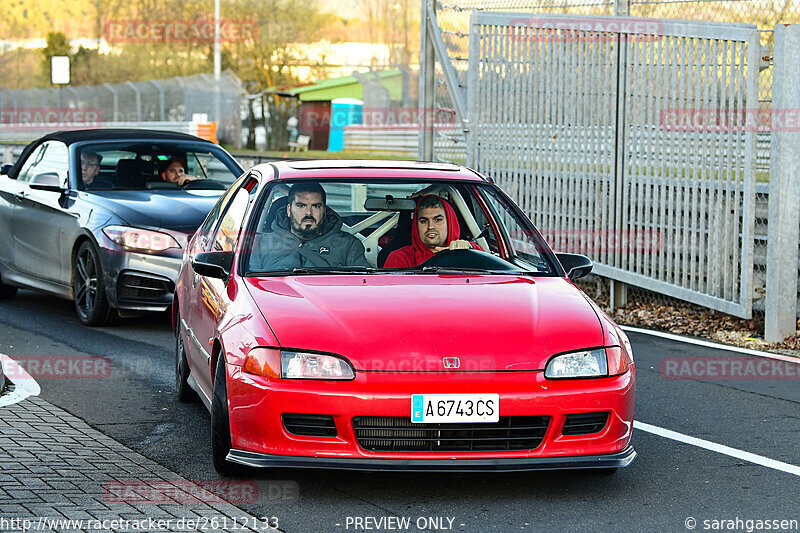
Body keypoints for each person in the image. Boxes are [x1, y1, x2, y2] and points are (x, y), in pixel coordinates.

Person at [250, 182, 370, 271]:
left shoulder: (348, 246)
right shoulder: (260, 245)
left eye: (316, 206)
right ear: (288, 210)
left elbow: (362, 289)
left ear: (324, 210)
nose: (308, 213)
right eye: (301, 206)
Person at [383, 194, 480, 268]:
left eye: (438, 220)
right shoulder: (400, 258)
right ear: (416, 226)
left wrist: (469, 248)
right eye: (424, 221)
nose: (431, 227)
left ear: (450, 223)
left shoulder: (468, 253)